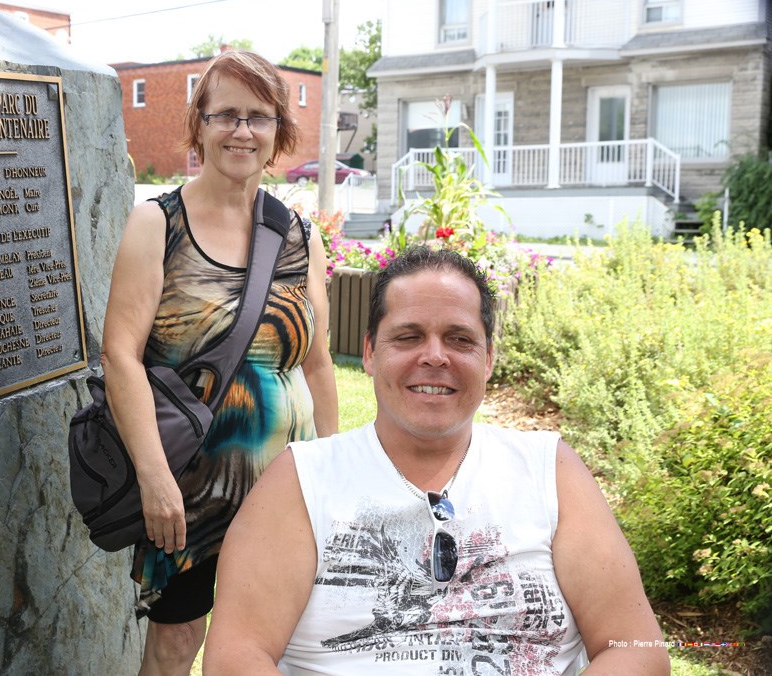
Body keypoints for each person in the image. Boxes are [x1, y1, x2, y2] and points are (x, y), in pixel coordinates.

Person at [204, 246, 671, 675]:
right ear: (370, 353)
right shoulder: (302, 480)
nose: (434, 357)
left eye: (459, 339)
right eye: (408, 337)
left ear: (489, 359)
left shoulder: (550, 471)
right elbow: (236, 657)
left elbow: (636, 649)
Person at [100, 49, 338, 676]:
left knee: (275, 644)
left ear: (278, 131)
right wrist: (154, 477)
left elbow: (316, 365)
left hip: (285, 486)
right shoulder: (157, 225)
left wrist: (334, 472)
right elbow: (120, 356)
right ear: (199, 125)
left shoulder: (300, 237)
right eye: (226, 115)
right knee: (177, 644)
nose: (242, 131)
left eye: (258, 117)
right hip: (189, 488)